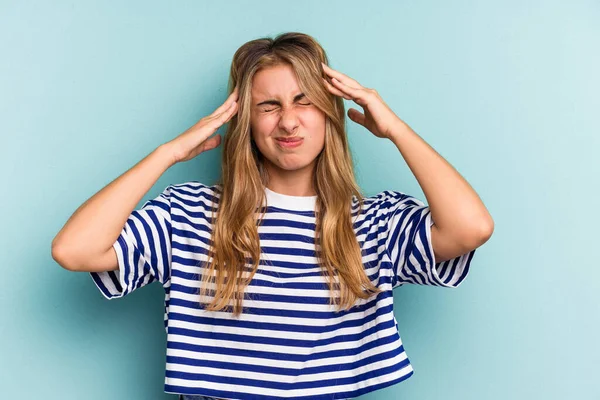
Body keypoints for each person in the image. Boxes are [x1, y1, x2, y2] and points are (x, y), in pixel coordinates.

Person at [51, 32, 494, 400]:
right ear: (244, 119)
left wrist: (395, 129)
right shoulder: (188, 214)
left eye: (304, 101)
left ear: (329, 113)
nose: (288, 123)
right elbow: (74, 249)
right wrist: (168, 154)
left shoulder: (374, 224)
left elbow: (470, 228)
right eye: (269, 106)